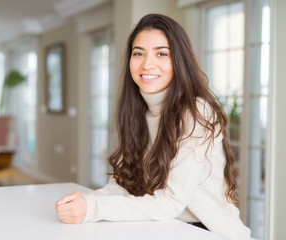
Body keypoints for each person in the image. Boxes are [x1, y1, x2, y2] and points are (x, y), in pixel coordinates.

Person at [55, 14, 251, 240]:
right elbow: (123, 183)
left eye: (161, 53)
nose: (147, 64)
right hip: (165, 227)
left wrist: (93, 208)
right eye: (138, 53)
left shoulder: (196, 111)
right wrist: (88, 201)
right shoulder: (136, 110)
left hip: (209, 232)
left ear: (179, 61)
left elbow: (170, 203)